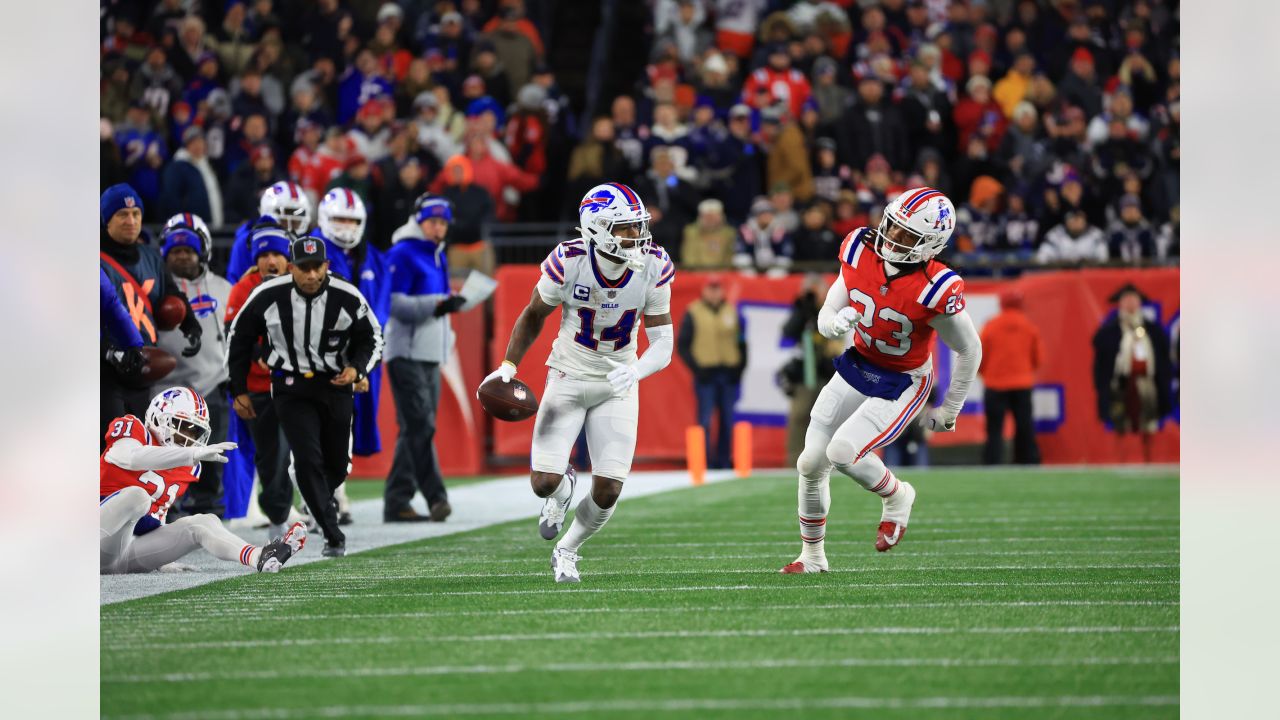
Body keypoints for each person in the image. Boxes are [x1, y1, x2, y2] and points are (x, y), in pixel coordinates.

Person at [481, 182, 675, 583]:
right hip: (569, 374)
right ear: (598, 228)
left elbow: (663, 343)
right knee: (543, 483)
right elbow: (535, 313)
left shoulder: (654, 265)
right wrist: (508, 365)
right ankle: (562, 487)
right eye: (625, 228)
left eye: (638, 226)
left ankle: (567, 550)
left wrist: (636, 370)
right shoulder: (569, 260)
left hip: (619, 381)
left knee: (608, 489)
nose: (637, 236)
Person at [782, 187, 982, 573]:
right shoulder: (860, 250)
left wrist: (950, 408)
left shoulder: (934, 287)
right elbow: (827, 312)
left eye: (907, 236)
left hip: (903, 379)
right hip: (858, 364)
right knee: (809, 463)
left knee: (842, 452)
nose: (891, 239)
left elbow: (970, 349)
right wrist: (832, 323)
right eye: (891, 226)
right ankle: (812, 556)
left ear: (931, 246)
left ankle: (898, 496)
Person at [226, 236, 384, 557]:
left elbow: (373, 337)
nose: (311, 276)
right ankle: (331, 532)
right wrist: (238, 389)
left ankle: (315, 496)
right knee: (309, 457)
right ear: (291, 267)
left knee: (338, 466)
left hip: (336, 384)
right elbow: (239, 338)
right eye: (304, 268)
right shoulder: (267, 295)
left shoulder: (347, 295)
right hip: (290, 386)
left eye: (317, 268)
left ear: (327, 266)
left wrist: (357, 370)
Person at [100, 386, 306, 574]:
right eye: (181, 426)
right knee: (138, 497)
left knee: (203, 522)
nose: (188, 437)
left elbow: (158, 514)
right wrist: (190, 454)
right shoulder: (132, 427)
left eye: (194, 431)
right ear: (158, 418)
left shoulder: (188, 465)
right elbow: (132, 457)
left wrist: (160, 558)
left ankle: (260, 556)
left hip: (128, 552)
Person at [383, 196, 467, 523]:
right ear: (418, 221)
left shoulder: (436, 255)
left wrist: (444, 306)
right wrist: (437, 304)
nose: (438, 228)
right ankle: (436, 498)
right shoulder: (403, 253)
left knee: (413, 429)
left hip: (430, 353)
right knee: (421, 425)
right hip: (406, 351)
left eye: (443, 223)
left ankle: (397, 500)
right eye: (432, 221)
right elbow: (393, 303)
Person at [100, 184, 202, 437]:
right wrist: (109, 352)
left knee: (140, 446)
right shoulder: (96, 258)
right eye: (122, 214)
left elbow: (170, 293)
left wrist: (189, 320)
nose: (131, 221)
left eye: (136, 214)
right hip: (105, 369)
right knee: (113, 445)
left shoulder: (151, 256)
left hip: (143, 364)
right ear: (106, 220)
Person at [155, 225, 234, 516]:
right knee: (164, 457)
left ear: (201, 253)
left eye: (189, 251)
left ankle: (208, 510)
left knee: (212, 460)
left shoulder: (223, 287)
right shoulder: (156, 289)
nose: (183, 257)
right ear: (165, 255)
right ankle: (166, 510)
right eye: (176, 252)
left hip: (212, 384)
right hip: (165, 389)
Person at [223, 227, 295, 539]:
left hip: (300, 384)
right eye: (264, 255)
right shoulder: (243, 289)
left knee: (312, 450)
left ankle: (317, 506)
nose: (270, 260)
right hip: (260, 386)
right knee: (272, 454)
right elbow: (234, 340)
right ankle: (279, 513)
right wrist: (239, 390)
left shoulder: (303, 284)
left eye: (277, 253)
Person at [1091, 283, 1172, 463]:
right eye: (1126, 299)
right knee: (1121, 422)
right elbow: (1102, 360)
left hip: (1146, 382)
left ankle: (1149, 460)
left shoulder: (1153, 330)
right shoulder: (1109, 331)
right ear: (1119, 303)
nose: (1130, 303)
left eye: (1133, 299)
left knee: (1149, 422)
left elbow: (1163, 358)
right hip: (1121, 384)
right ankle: (1122, 460)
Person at [676, 276, 745, 469]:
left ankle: (723, 461)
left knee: (727, 419)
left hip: (728, 373)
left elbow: (742, 342)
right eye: (711, 288)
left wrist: (739, 367)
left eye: (717, 288)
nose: (714, 293)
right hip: (706, 374)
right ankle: (704, 462)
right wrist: (697, 369)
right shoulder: (693, 312)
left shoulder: (731, 311)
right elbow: (682, 345)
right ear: (704, 290)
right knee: (705, 420)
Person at [979, 291, 1043, 465]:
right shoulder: (1029, 327)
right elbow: (1038, 359)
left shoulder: (991, 326)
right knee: (1024, 427)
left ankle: (992, 463)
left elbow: (979, 356)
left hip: (995, 384)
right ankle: (1027, 462)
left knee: (994, 430)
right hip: (1022, 384)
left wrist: (988, 375)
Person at [226, 181, 314, 281]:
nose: (290, 227)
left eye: (295, 219)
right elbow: (236, 284)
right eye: (284, 219)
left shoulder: (307, 241)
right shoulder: (246, 243)